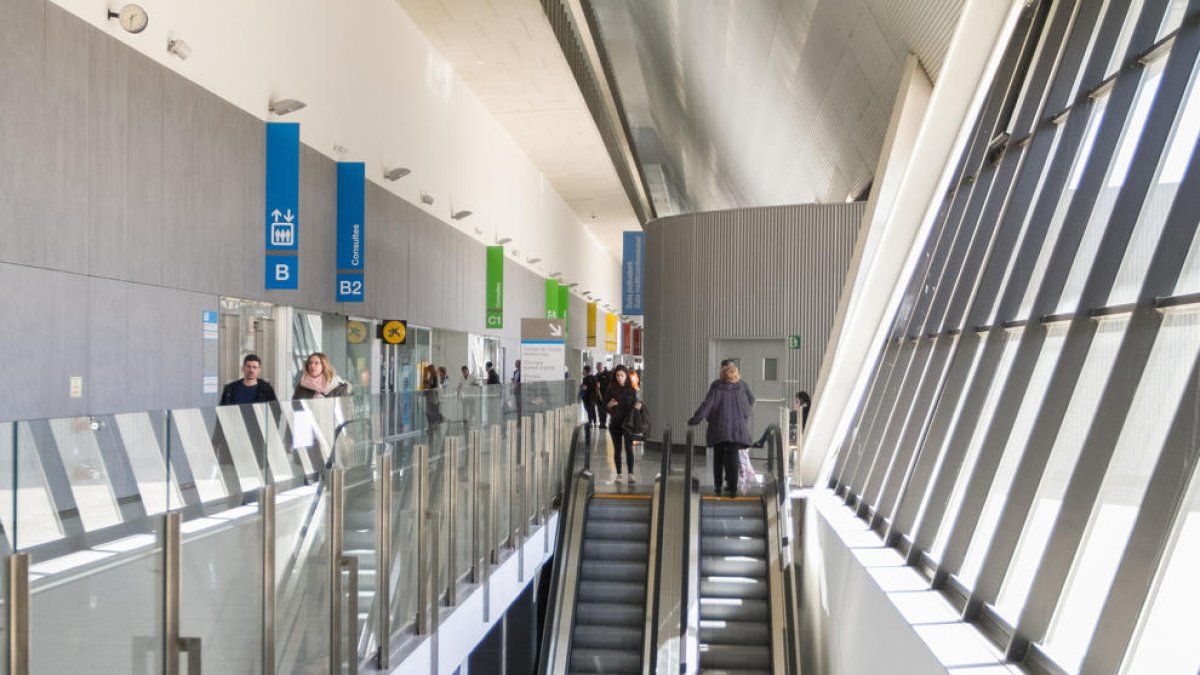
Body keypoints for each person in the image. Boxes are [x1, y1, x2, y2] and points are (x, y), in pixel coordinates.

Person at [688, 362, 752, 498]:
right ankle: (733, 490)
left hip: (719, 428)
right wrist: (741, 419)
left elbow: (707, 405)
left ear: (722, 374)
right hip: (736, 429)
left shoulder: (716, 386)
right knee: (733, 458)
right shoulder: (741, 387)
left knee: (718, 456)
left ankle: (718, 487)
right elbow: (747, 411)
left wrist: (695, 419)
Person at [603, 365, 642, 484]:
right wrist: (608, 406)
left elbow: (636, 405)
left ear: (626, 376)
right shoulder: (611, 389)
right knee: (617, 449)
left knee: (629, 448)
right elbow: (604, 406)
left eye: (622, 375)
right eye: (618, 376)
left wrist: (638, 407)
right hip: (615, 424)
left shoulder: (631, 390)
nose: (620, 378)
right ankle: (619, 474)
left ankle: (630, 474)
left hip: (628, 424)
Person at [595, 362, 610, 429]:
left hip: (606, 395)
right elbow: (596, 387)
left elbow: (610, 385)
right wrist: (599, 395)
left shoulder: (607, 374)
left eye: (600, 366)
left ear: (603, 367)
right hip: (598, 396)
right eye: (598, 366)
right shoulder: (596, 376)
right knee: (600, 409)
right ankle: (601, 423)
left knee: (604, 409)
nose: (599, 367)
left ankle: (603, 423)